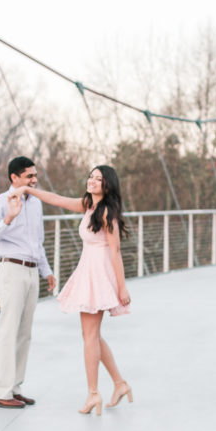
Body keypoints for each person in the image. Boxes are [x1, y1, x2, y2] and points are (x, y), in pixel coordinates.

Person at [17, 166, 132, 415]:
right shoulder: (88, 205)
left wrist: (122, 288)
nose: (91, 181)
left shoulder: (106, 214)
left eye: (98, 179)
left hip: (99, 275)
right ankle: (119, 384)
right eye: (91, 176)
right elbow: (57, 199)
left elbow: (116, 251)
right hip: (89, 271)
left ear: (107, 185)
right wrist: (28, 190)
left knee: (89, 336)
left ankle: (93, 394)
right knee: (93, 335)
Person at [0, 155, 56, 409]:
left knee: (24, 334)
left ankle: (14, 388)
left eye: (35, 175)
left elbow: (38, 241)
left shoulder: (36, 204)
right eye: (29, 176)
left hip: (32, 271)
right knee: (8, 331)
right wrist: (9, 218)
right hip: (11, 270)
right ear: (14, 177)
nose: (34, 180)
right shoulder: (0, 203)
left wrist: (47, 272)